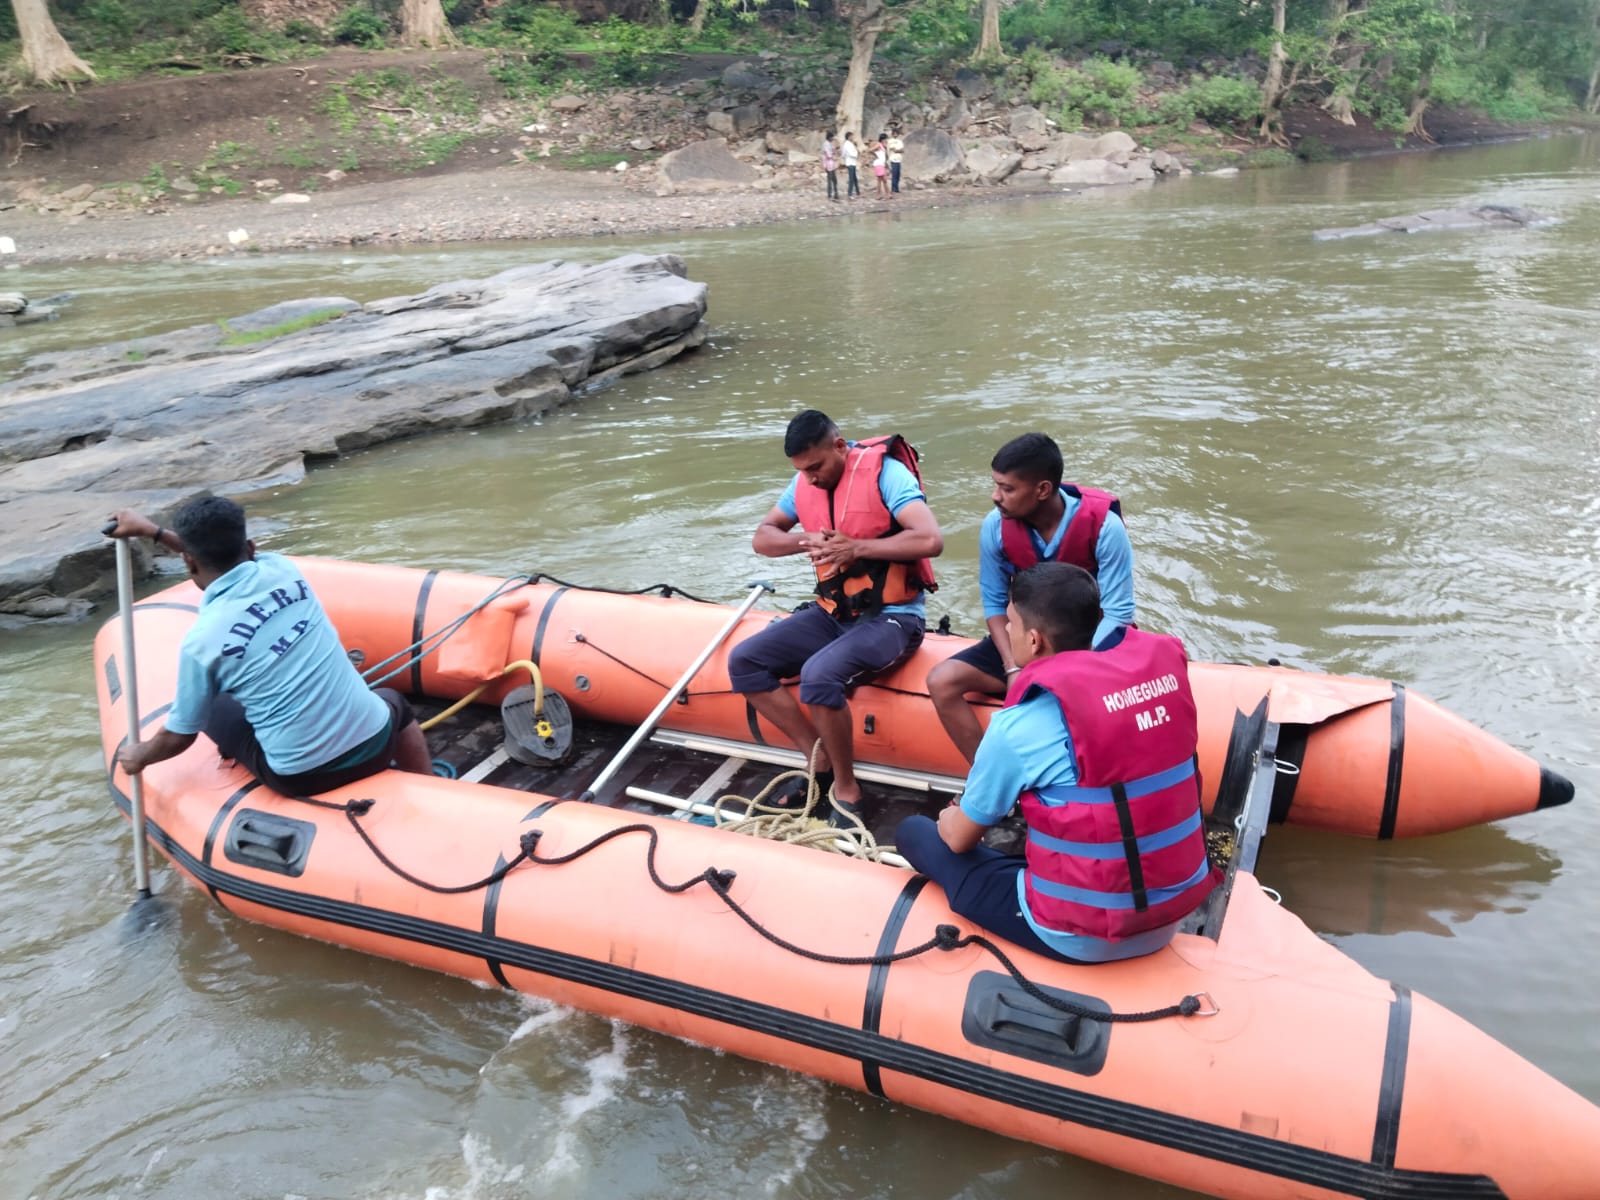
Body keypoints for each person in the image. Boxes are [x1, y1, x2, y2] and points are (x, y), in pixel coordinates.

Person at [896, 562, 1217, 964]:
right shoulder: (1159, 685)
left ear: (1033, 640)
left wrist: (952, 816)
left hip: (1079, 937)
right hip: (1170, 915)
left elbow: (960, 839)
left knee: (915, 832)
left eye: (1010, 623)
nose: (1005, 632)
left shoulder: (1017, 727)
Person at [107, 497, 433, 792]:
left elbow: (179, 736)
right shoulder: (283, 569)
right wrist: (154, 531)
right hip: (379, 743)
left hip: (305, 776)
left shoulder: (201, 642)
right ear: (250, 548)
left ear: (189, 562)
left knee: (212, 703)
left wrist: (140, 756)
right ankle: (428, 787)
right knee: (393, 701)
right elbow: (217, 550)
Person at [728, 410, 943, 821]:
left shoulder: (887, 474)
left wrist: (856, 548)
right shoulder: (803, 481)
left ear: (840, 446)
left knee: (818, 673)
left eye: (816, 467)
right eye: (801, 471)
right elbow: (763, 537)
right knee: (745, 661)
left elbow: (930, 539)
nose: (809, 478)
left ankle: (847, 786)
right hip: (834, 612)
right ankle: (818, 759)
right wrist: (802, 540)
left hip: (894, 616)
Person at [927, 432, 1134, 763]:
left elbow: (1118, 614)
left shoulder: (1105, 528)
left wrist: (1068, 672)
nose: (996, 496)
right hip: (1028, 644)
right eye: (996, 485)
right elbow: (995, 605)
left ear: (1042, 490)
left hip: (1087, 648)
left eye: (1007, 489)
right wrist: (1013, 668)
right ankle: (989, 776)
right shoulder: (995, 528)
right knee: (941, 681)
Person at [841, 132, 860, 199]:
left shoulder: (850, 144)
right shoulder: (847, 145)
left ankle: (858, 192)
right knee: (851, 179)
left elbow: (843, 154)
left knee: (855, 178)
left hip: (852, 162)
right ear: (849, 137)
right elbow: (852, 154)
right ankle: (850, 194)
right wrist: (856, 153)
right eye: (852, 136)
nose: (852, 138)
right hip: (850, 163)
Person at [822, 130, 839, 201]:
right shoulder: (826, 145)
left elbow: (833, 152)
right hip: (828, 164)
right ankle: (830, 194)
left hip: (831, 164)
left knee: (834, 180)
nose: (832, 139)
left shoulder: (830, 144)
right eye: (832, 137)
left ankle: (835, 193)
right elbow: (828, 155)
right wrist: (833, 155)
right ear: (829, 137)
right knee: (830, 179)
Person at [887, 126, 904, 195]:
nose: (895, 134)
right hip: (893, 159)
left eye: (896, 133)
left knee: (898, 174)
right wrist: (897, 150)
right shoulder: (890, 141)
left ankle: (896, 188)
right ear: (892, 134)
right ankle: (893, 189)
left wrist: (897, 150)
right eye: (894, 133)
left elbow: (902, 150)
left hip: (899, 159)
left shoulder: (900, 141)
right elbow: (892, 149)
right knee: (894, 174)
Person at [872, 134, 890, 199]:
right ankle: (886, 194)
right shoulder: (879, 144)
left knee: (881, 180)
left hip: (881, 164)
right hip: (879, 164)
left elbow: (885, 157)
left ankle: (880, 194)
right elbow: (871, 150)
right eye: (886, 139)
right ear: (883, 139)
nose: (887, 140)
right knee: (883, 180)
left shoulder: (883, 146)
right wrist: (876, 155)